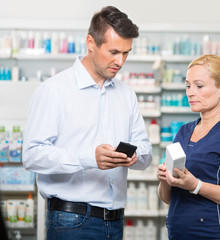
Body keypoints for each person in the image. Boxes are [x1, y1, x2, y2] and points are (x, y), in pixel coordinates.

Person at [22, 6, 152, 240]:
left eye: (126, 53)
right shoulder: (54, 91)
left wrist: (134, 157)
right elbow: (31, 155)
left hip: (115, 221)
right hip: (71, 221)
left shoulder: (126, 94)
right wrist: (89, 158)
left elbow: (145, 152)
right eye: (113, 51)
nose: (120, 61)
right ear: (91, 42)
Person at [157, 55, 220, 240]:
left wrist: (196, 185)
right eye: (188, 86)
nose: (190, 92)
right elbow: (169, 198)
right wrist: (165, 179)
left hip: (216, 233)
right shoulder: (184, 132)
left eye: (199, 86)